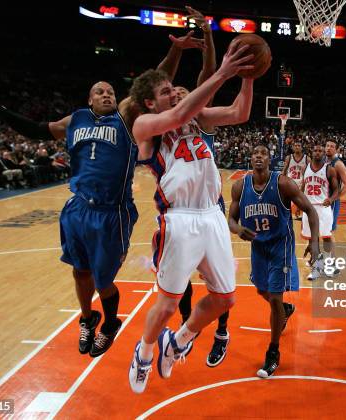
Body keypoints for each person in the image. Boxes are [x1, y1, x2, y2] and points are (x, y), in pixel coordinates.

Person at [0, 33, 204, 358]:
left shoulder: (127, 119)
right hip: (76, 209)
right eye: (99, 91)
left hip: (111, 212)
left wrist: (176, 49)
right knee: (79, 271)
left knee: (104, 280)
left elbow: (152, 84)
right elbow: (34, 129)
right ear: (89, 99)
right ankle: (88, 319)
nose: (106, 94)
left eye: (110, 92)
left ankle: (111, 323)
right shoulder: (76, 120)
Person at [127, 42, 254, 393]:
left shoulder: (197, 118)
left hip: (211, 214)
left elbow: (240, 113)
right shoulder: (145, 124)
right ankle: (145, 351)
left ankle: (180, 340)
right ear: (150, 102)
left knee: (226, 298)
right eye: (165, 91)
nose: (173, 91)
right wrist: (223, 73)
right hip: (179, 219)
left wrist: (248, 77)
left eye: (173, 88)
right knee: (167, 304)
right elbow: (177, 116)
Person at [172, 8, 232, 368]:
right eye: (176, 92)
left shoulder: (201, 119)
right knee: (179, 280)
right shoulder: (161, 127)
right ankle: (186, 330)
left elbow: (208, 73)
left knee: (218, 281)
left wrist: (208, 33)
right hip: (177, 212)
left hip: (209, 209)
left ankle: (221, 331)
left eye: (187, 91)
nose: (183, 94)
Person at [229, 144, 319, 377]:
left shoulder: (283, 183)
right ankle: (286, 309)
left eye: (263, 154)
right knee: (262, 292)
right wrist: (238, 229)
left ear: (270, 160)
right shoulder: (240, 186)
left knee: (275, 299)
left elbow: (310, 210)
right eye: (255, 154)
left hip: (281, 246)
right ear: (250, 159)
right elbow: (230, 219)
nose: (258, 157)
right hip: (258, 248)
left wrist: (315, 242)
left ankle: (273, 351)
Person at [301, 144, 339, 280]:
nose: (317, 153)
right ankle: (317, 268)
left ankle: (328, 265)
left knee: (326, 237)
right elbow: (303, 187)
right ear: (311, 152)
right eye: (315, 150)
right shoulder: (306, 168)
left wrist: (331, 199)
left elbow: (336, 190)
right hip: (309, 208)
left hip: (323, 208)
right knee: (312, 240)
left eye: (320, 151)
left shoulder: (330, 170)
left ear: (324, 154)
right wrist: (299, 204)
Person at [282, 140, 310, 220]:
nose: (297, 147)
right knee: (286, 202)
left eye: (299, 146)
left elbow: (310, 173)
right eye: (295, 145)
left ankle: (301, 215)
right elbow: (284, 170)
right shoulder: (289, 157)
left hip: (302, 184)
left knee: (302, 202)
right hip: (290, 183)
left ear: (301, 148)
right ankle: (286, 216)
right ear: (293, 147)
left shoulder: (307, 159)